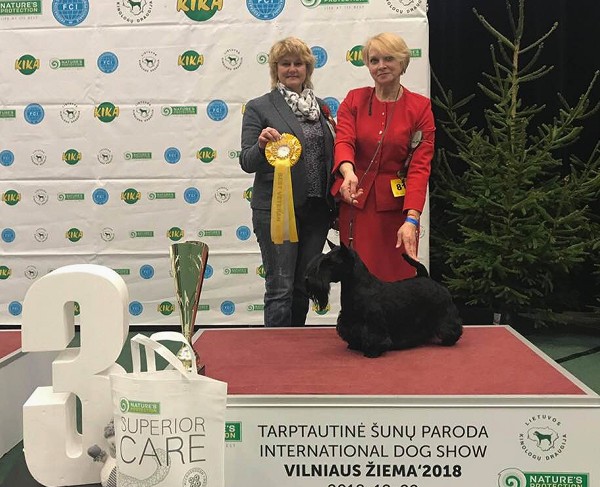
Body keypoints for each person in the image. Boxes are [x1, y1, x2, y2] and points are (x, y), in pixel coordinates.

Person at [240, 36, 336, 327]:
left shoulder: (321, 108)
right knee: (280, 289)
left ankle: (296, 346)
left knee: (303, 286)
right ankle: (275, 350)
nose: (292, 69)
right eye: (285, 64)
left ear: (308, 68)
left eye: (298, 63)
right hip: (277, 211)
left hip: (317, 212)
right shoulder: (259, 107)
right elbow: (246, 161)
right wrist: (261, 147)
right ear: (275, 69)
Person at [332, 32, 435, 282]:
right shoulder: (354, 99)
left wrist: (412, 219)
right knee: (358, 284)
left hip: (397, 210)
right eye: (374, 60)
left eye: (388, 59)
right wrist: (347, 173)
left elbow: (419, 168)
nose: (381, 66)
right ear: (367, 65)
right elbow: (344, 140)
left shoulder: (420, 107)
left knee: (398, 281)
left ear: (402, 62)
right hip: (356, 201)